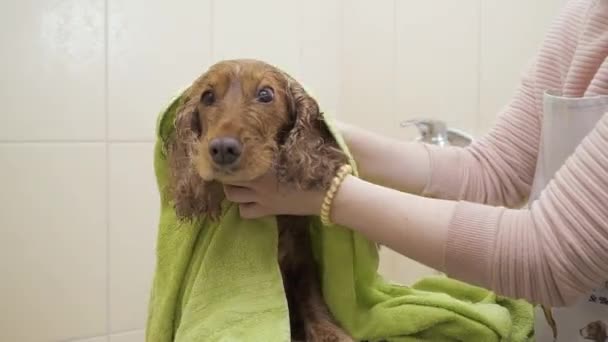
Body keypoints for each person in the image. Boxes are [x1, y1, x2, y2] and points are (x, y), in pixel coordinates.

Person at [223, 0, 608, 329]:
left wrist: (328, 194)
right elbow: (493, 170)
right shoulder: (584, 17)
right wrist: (324, 135)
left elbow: (551, 256)